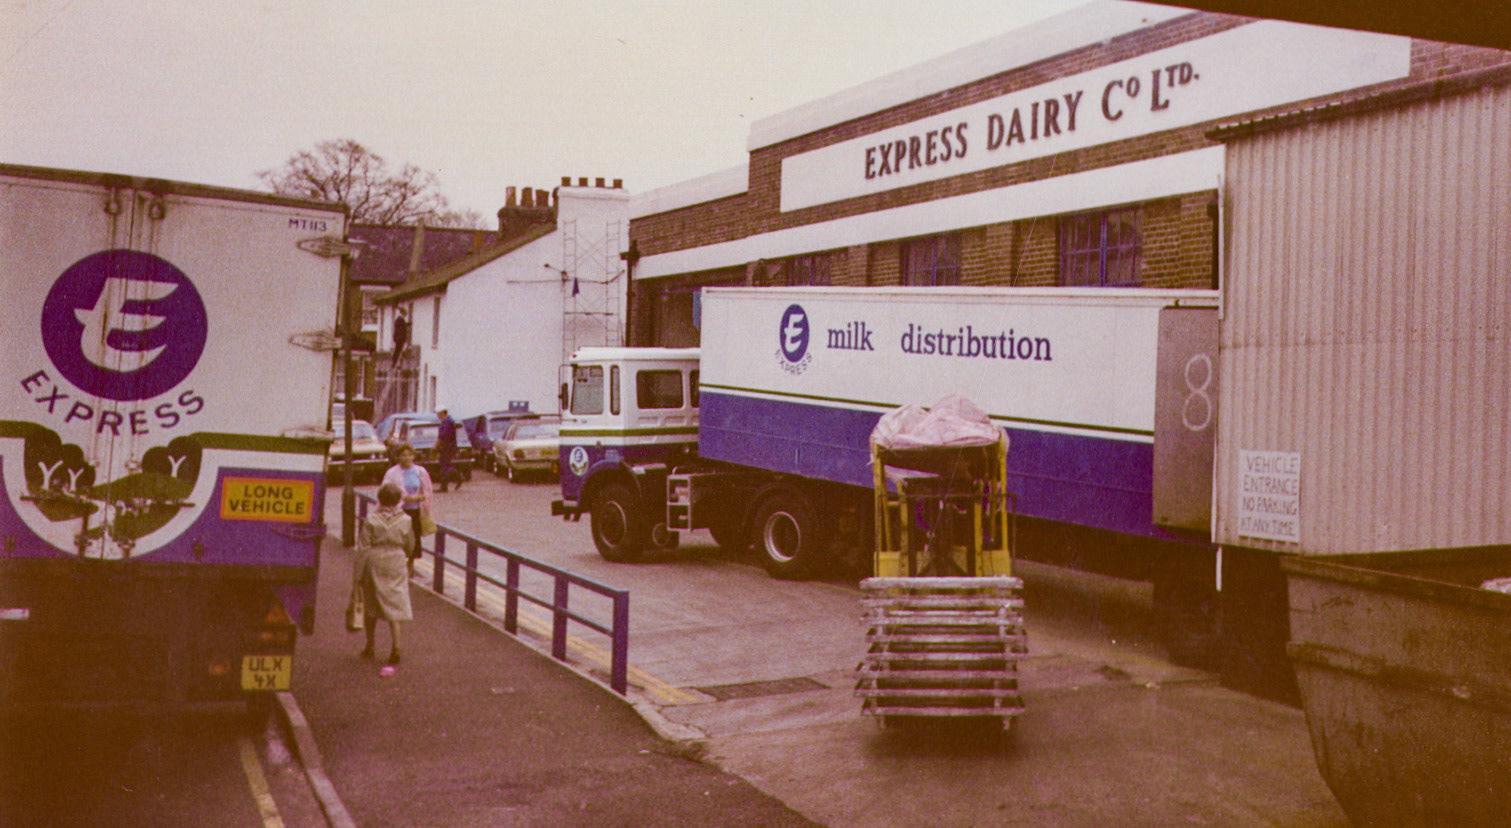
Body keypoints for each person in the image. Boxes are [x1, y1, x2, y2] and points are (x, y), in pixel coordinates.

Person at [354, 483, 414, 671]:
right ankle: (396, 647)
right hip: (396, 561)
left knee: (371, 605)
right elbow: (410, 545)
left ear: (380, 499)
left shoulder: (371, 519)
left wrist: (357, 577)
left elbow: (363, 548)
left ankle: (370, 646)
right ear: (398, 500)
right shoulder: (406, 520)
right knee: (394, 605)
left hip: (375, 561)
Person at [381, 443, 433, 576]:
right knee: (399, 541)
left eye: (410, 455)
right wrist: (404, 499)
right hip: (398, 512)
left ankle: (409, 570)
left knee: (414, 542)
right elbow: (385, 492)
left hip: (415, 512)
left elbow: (427, 491)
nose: (407, 458)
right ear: (398, 457)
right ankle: (397, 568)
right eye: (403, 455)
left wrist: (418, 499)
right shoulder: (392, 473)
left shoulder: (420, 471)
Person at [435, 407, 465, 491]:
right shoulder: (448, 421)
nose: (437, 415)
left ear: (442, 413)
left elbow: (442, 437)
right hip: (448, 447)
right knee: (445, 466)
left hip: (447, 447)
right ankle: (445, 485)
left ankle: (457, 478)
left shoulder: (447, 422)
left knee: (445, 466)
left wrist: (435, 447)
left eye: (438, 414)